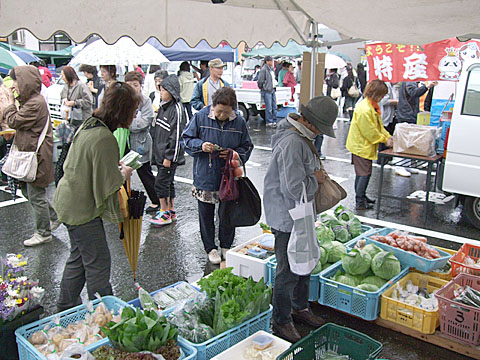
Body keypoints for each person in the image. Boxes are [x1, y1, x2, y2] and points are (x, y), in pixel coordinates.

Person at [54, 81, 140, 311]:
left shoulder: (90, 123)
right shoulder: (105, 138)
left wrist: (114, 168)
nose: (134, 115)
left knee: (80, 257)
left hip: (68, 200)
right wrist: (123, 172)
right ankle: (103, 312)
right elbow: (107, 184)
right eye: (132, 110)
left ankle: (65, 307)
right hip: (81, 209)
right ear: (123, 111)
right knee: (99, 262)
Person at [263, 96, 338, 343]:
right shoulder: (293, 142)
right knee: (287, 269)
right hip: (288, 215)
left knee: (303, 260)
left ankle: (300, 306)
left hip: (301, 212)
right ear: (311, 123)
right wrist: (315, 179)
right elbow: (294, 188)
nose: (320, 132)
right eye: (320, 128)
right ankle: (281, 320)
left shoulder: (303, 137)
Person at [182, 87, 253, 264]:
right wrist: (201, 145)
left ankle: (226, 245)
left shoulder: (239, 122)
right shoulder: (200, 117)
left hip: (228, 177)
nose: (222, 115)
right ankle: (210, 248)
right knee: (206, 215)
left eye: (226, 112)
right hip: (205, 175)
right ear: (212, 106)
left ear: (233, 110)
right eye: (219, 111)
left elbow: (247, 146)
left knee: (228, 213)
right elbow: (186, 139)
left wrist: (234, 154)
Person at [4, 65, 59, 246]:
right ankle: (53, 217)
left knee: (35, 194)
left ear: (25, 82)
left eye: (16, 81)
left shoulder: (35, 103)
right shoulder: (33, 100)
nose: (13, 85)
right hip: (32, 155)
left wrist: (11, 102)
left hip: (37, 157)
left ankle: (43, 232)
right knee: (29, 191)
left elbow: (14, 120)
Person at [346, 80, 393, 210]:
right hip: (361, 146)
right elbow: (370, 132)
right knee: (364, 174)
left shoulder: (372, 105)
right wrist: (385, 139)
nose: (383, 98)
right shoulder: (365, 109)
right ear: (376, 94)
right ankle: (360, 201)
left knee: (362, 173)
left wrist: (388, 137)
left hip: (363, 146)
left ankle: (361, 196)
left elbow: (379, 126)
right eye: (382, 95)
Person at [149, 75, 187, 226]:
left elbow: (177, 135)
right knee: (167, 182)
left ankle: (164, 212)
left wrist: (169, 156)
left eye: (163, 90)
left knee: (161, 183)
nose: (161, 93)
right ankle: (170, 210)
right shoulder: (164, 106)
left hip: (168, 156)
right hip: (160, 153)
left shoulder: (177, 108)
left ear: (172, 91)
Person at [124, 71, 159, 213]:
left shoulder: (145, 101)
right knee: (122, 173)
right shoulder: (122, 100)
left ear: (140, 86)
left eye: (135, 85)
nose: (132, 88)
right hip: (123, 142)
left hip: (140, 143)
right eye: (129, 85)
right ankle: (124, 199)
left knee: (144, 172)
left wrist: (126, 123)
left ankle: (156, 200)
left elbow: (145, 121)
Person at [395, 81, 437, 176]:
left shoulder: (411, 81)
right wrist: (426, 86)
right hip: (406, 115)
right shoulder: (410, 81)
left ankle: (406, 165)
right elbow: (413, 93)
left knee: (408, 142)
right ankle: (400, 166)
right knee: (403, 141)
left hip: (408, 114)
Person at [257, 56, 278, 128]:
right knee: (269, 107)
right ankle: (269, 122)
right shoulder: (263, 69)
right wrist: (263, 87)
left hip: (272, 89)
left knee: (274, 106)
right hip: (267, 90)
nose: (272, 62)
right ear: (267, 61)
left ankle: (274, 120)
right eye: (271, 61)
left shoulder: (271, 69)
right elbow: (260, 80)